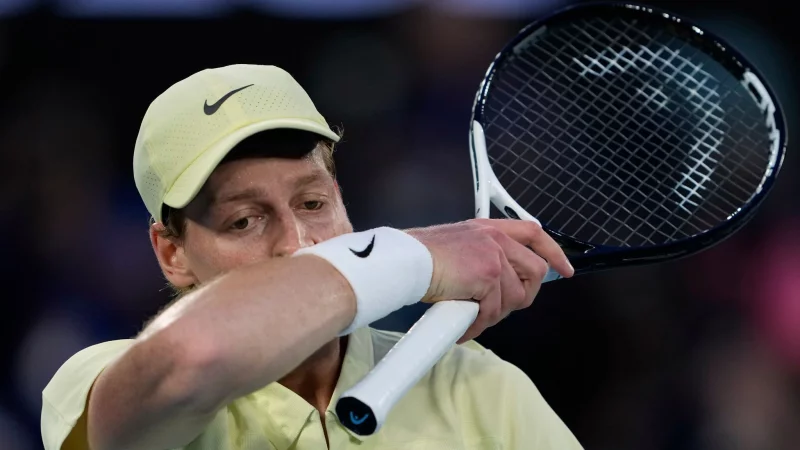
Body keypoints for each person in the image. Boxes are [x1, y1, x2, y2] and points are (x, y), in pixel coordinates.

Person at [41, 64, 583, 450]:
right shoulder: (95, 382)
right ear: (172, 253)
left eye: (313, 202)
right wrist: (414, 256)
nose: (297, 242)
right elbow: (195, 354)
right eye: (244, 220)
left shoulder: (479, 387)